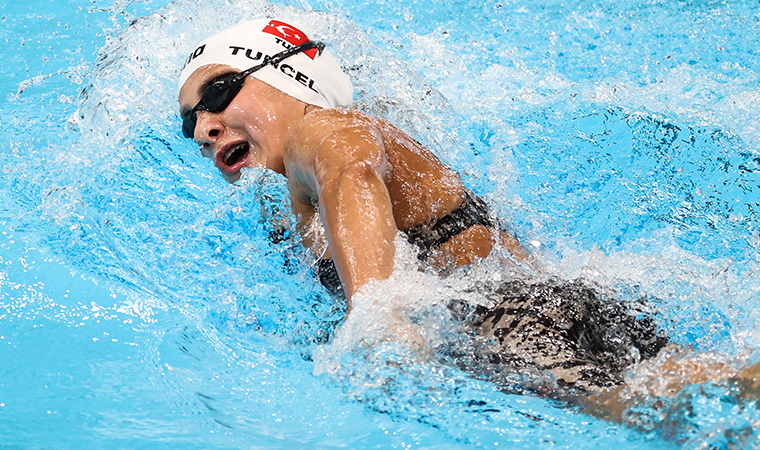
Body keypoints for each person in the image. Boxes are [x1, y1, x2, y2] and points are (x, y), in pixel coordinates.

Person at [177, 17, 760, 427]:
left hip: (503, 321)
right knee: (713, 386)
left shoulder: (323, 130)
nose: (204, 127)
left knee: (662, 416)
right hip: (549, 301)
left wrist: (378, 315)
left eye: (220, 93)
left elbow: (352, 177)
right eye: (191, 123)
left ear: (289, 76)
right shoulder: (287, 191)